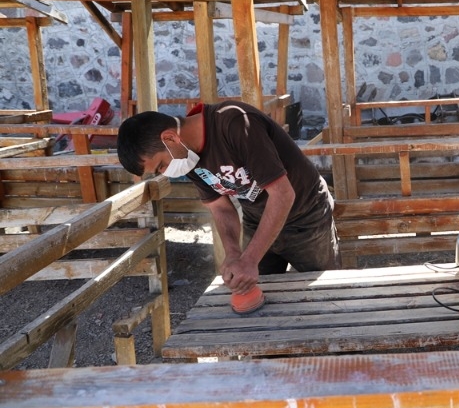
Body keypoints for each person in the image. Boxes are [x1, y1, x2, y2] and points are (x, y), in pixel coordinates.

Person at [117, 100, 341, 306]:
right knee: (257, 294)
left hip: (306, 215)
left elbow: (283, 195)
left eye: (161, 165)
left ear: (170, 138)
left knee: (327, 295)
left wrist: (249, 259)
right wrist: (233, 253)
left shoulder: (235, 123)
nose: (166, 172)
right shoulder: (187, 156)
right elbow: (220, 207)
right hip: (257, 218)